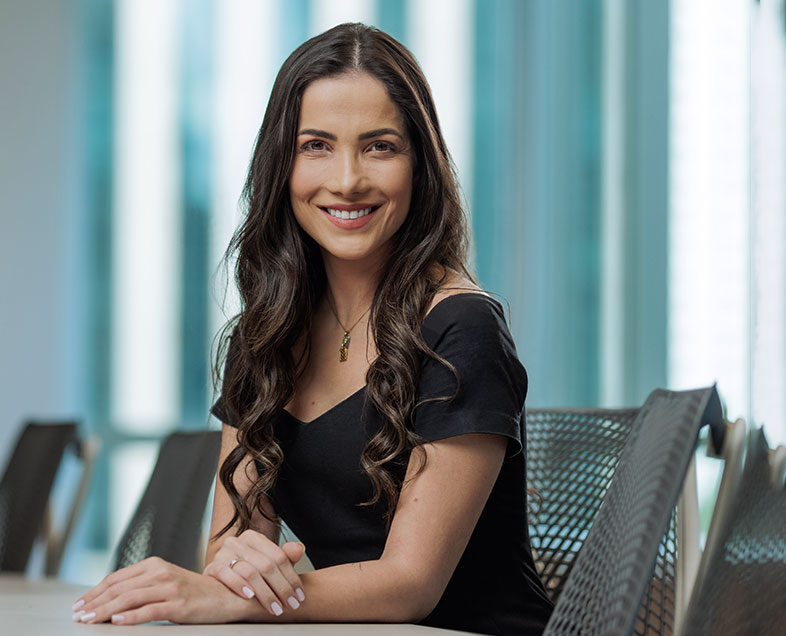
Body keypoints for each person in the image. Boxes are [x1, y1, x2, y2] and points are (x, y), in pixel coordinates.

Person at [72, 23, 554, 635]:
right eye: (316, 146)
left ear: (419, 165)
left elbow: (411, 584)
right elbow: (230, 548)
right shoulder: (267, 334)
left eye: (380, 146)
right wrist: (234, 568)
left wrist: (233, 596)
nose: (347, 179)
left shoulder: (461, 326)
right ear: (283, 165)